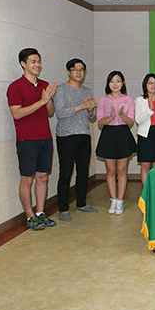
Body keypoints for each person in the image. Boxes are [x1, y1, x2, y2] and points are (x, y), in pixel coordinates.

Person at [6, 48, 57, 231]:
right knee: (27, 179)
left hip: (45, 138)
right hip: (26, 141)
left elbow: (50, 112)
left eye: (39, 61)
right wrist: (41, 101)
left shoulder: (44, 85)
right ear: (23, 64)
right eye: (33, 61)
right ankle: (30, 216)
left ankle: (40, 213)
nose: (37, 65)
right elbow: (17, 113)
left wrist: (48, 99)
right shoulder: (15, 87)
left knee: (42, 177)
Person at [53, 58, 98, 222]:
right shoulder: (61, 90)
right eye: (75, 69)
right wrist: (82, 106)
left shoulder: (87, 91)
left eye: (81, 70)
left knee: (83, 172)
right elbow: (60, 113)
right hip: (66, 136)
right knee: (66, 173)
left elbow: (91, 117)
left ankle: (81, 203)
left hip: (84, 135)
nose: (79, 73)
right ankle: (63, 209)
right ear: (68, 72)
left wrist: (91, 110)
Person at [95, 71, 136, 215]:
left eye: (118, 81)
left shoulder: (128, 100)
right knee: (111, 171)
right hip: (108, 134)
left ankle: (120, 200)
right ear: (108, 84)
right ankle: (113, 200)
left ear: (123, 83)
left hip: (123, 134)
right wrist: (111, 117)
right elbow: (100, 122)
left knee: (122, 170)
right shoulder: (103, 100)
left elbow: (130, 121)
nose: (115, 84)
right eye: (112, 81)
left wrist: (121, 115)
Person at [135, 73, 155, 186]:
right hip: (145, 136)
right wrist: (150, 109)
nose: (153, 85)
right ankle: (146, 192)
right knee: (145, 166)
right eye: (150, 83)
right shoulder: (139, 100)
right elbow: (138, 120)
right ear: (145, 85)